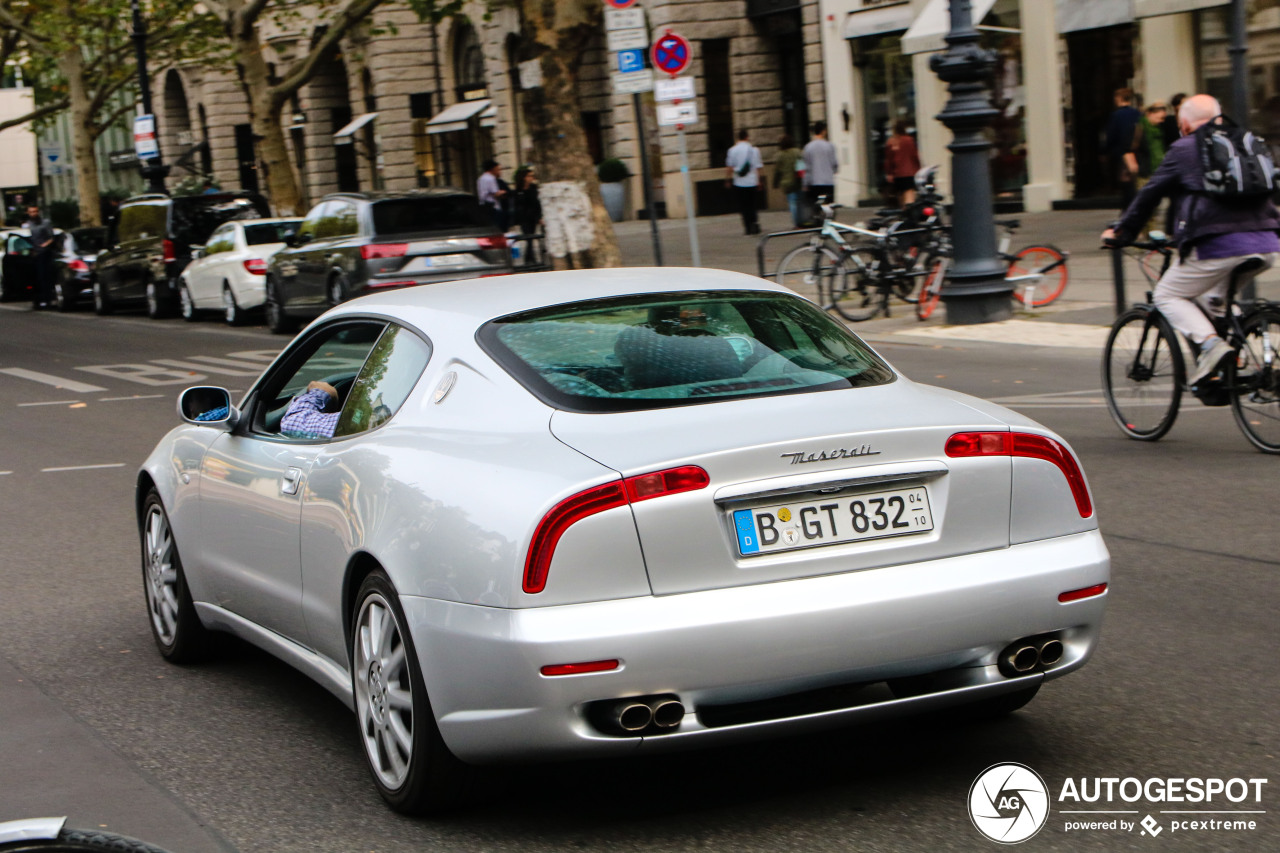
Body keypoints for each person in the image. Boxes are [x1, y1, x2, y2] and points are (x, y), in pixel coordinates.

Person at [1101, 94, 1280, 385]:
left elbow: (1149, 194)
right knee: (1214, 299)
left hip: (1216, 246)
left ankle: (1212, 346)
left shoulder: (1185, 147)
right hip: (1267, 244)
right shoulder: (1247, 140)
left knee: (1167, 294)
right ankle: (1234, 358)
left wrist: (1121, 232)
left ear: (1184, 123)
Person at [1104, 88, 1142, 208]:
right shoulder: (1137, 114)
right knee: (1135, 181)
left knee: (1125, 183)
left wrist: (1105, 150)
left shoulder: (1116, 115)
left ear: (1119, 99)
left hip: (1121, 152)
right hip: (1136, 152)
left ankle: (1128, 208)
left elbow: (1111, 135)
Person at [725, 129, 763, 235]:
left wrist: (728, 179)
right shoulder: (754, 150)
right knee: (752, 204)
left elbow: (730, 167)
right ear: (747, 137)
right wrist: (759, 181)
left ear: (738, 137)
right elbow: (757, 167)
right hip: (752, 181)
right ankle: (754, 224)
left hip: (739, 182)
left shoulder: (732, 150)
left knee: (743, 205)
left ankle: (747, 227)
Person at [883, 119, 922, 207]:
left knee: (900, 194)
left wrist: (889, 173)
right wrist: (918, 169)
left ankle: (903, 211)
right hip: (910, 172)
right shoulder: (909, 140)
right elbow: (915, 156)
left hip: (897, 173)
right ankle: (910, 211)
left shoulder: (891, 142)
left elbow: (888, 159)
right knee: (909, 192)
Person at [802, 121, 838, 210]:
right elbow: (834, 164)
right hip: (828, 181)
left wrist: (805, 183)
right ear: (824, 131)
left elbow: (807, 167)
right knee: (829, 206)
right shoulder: (830, 146)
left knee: (816, 207)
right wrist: (833, 171)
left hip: (814, 182)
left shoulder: (808, 147)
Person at [26, 205, 56, 310]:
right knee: (34, 279)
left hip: (44, 254)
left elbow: (51, 237)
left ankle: (47, 300)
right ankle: (37, 301)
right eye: (31, 212)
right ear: (28, 213)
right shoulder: (27, 225)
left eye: (35, 211)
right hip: (33, 255)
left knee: (44, 277)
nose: (34, 213)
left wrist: (45, 244)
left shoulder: (45, 223)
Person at [773, 135, 805, 227]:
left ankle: (796, 224)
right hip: (799, 180)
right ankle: (802, 220)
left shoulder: (780, 155)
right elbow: (802, 165)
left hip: (787, 183)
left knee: (792, 203)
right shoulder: (797, 152)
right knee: (800, 202)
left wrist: (775, 183)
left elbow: (777, 171)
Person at [511, 164, 542, 235]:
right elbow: (516, 204)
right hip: (523, 217)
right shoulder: (518, 190)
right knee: (527, 235)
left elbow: (537, 203)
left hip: (533, 216)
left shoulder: (533, 188)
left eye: (532, 176)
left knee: (532, 234)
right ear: (524, 177)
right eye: (529, 176)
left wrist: (539, 216)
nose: (531, 178)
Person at [476, 159, 506, 229]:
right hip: (493, 206)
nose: (498, 171)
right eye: (497, 169)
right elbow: (495, 193)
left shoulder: (480, 178)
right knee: (496, 227)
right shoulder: (491, 178)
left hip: (484, 205)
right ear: (493, 168)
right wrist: (503, 192)